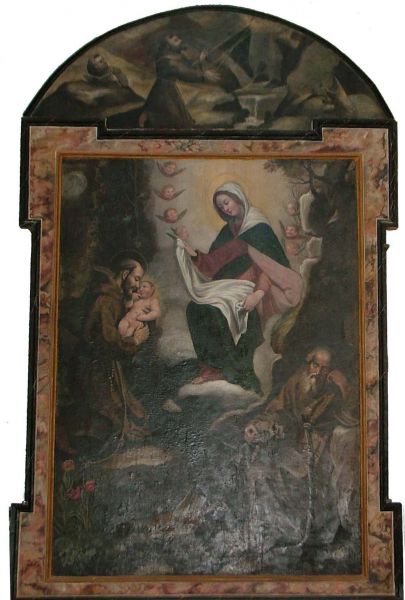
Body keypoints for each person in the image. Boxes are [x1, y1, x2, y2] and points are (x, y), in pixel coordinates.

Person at [176, 182, 303, 392]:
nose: (225, 208)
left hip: (254, 290)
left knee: (220, 312)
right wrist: (189, 250)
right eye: (221, 206)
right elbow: (213, 263)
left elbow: (270, 268)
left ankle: (235, 371)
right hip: (227, 288)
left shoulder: (259, 229)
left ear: (238, 198)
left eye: (227, 202)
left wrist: (257, 294)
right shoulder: (228, 231)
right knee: (195, 308)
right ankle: (211, 367)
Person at [80, 252, 150, 440]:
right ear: (125, 274)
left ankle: (125, 427)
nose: (138, 285)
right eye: (136, 278)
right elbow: (108, 342)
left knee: (131, 409)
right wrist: (135, 340)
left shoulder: (114, 298)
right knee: (108, 419)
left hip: (105, 363)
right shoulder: (106, 300)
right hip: (95, 367)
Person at [140, 32, 220, 128]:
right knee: (171, 121)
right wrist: (203, 74)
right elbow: (183, 71)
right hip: (164, 93)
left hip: (165, 89)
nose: (180, 41)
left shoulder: (166, 57)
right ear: (167, 45)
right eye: (175, 40)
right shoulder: (167, 61)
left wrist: (200, 60)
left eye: (178, 39)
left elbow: (185, 67)